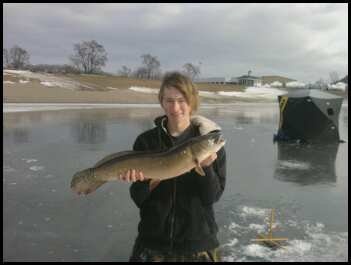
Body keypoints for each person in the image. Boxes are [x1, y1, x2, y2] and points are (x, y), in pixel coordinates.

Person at [118, 72, 226, 262]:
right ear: (162, 102)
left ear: (192, 101)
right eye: (169, 100)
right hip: (153, 243)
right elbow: (139, 199)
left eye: (181, 100)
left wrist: (207, 168)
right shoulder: (146, 141)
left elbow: (212, 197)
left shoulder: (210, 144)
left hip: (198, 245)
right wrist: (142, 182)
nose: (175, 108)